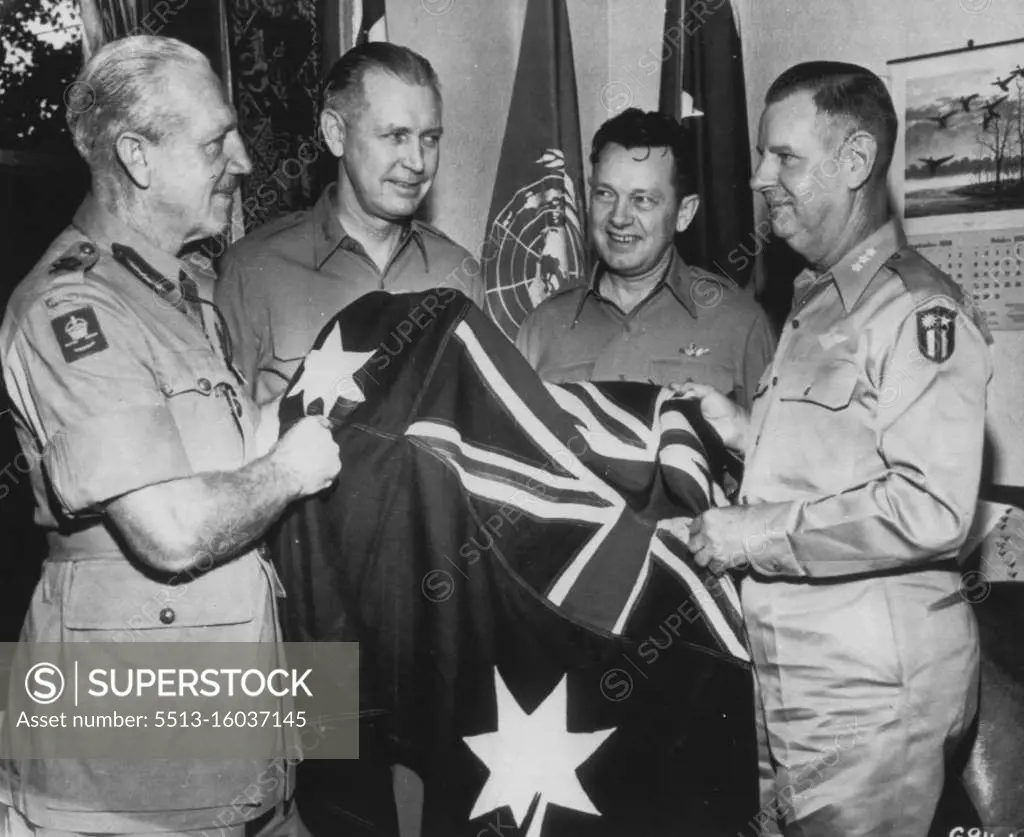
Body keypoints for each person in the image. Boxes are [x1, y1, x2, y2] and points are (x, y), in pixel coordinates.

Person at [0, 35, 341, 836]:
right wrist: (291, 469)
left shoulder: (184, 288)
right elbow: (171, 533)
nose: (246, 161)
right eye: (218, 140)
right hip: (131, 767)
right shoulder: (72, 310)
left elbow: (219, 451)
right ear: (138, 157)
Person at [667, 62, 992, 836]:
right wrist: (746, 433)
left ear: (854, 161)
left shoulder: (915, 309)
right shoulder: (816, 299)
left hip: (871, 700)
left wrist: (752, 531)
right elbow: (844, 461)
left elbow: (931, 506)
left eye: (783, 158)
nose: (757, 179)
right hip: (797, 684)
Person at [216, 42, 484, 408]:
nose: (417, 161)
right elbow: (230, 438)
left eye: (430, 139)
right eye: (396, 136)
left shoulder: (457, 272)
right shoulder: (253, 271)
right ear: (336, 133)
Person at [515, 108, 775, 411]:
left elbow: (769, 450)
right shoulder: (542, 328)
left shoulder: (740, 325)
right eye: (605, 194)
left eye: (642, 200)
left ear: (684, 213)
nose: (619, 217)